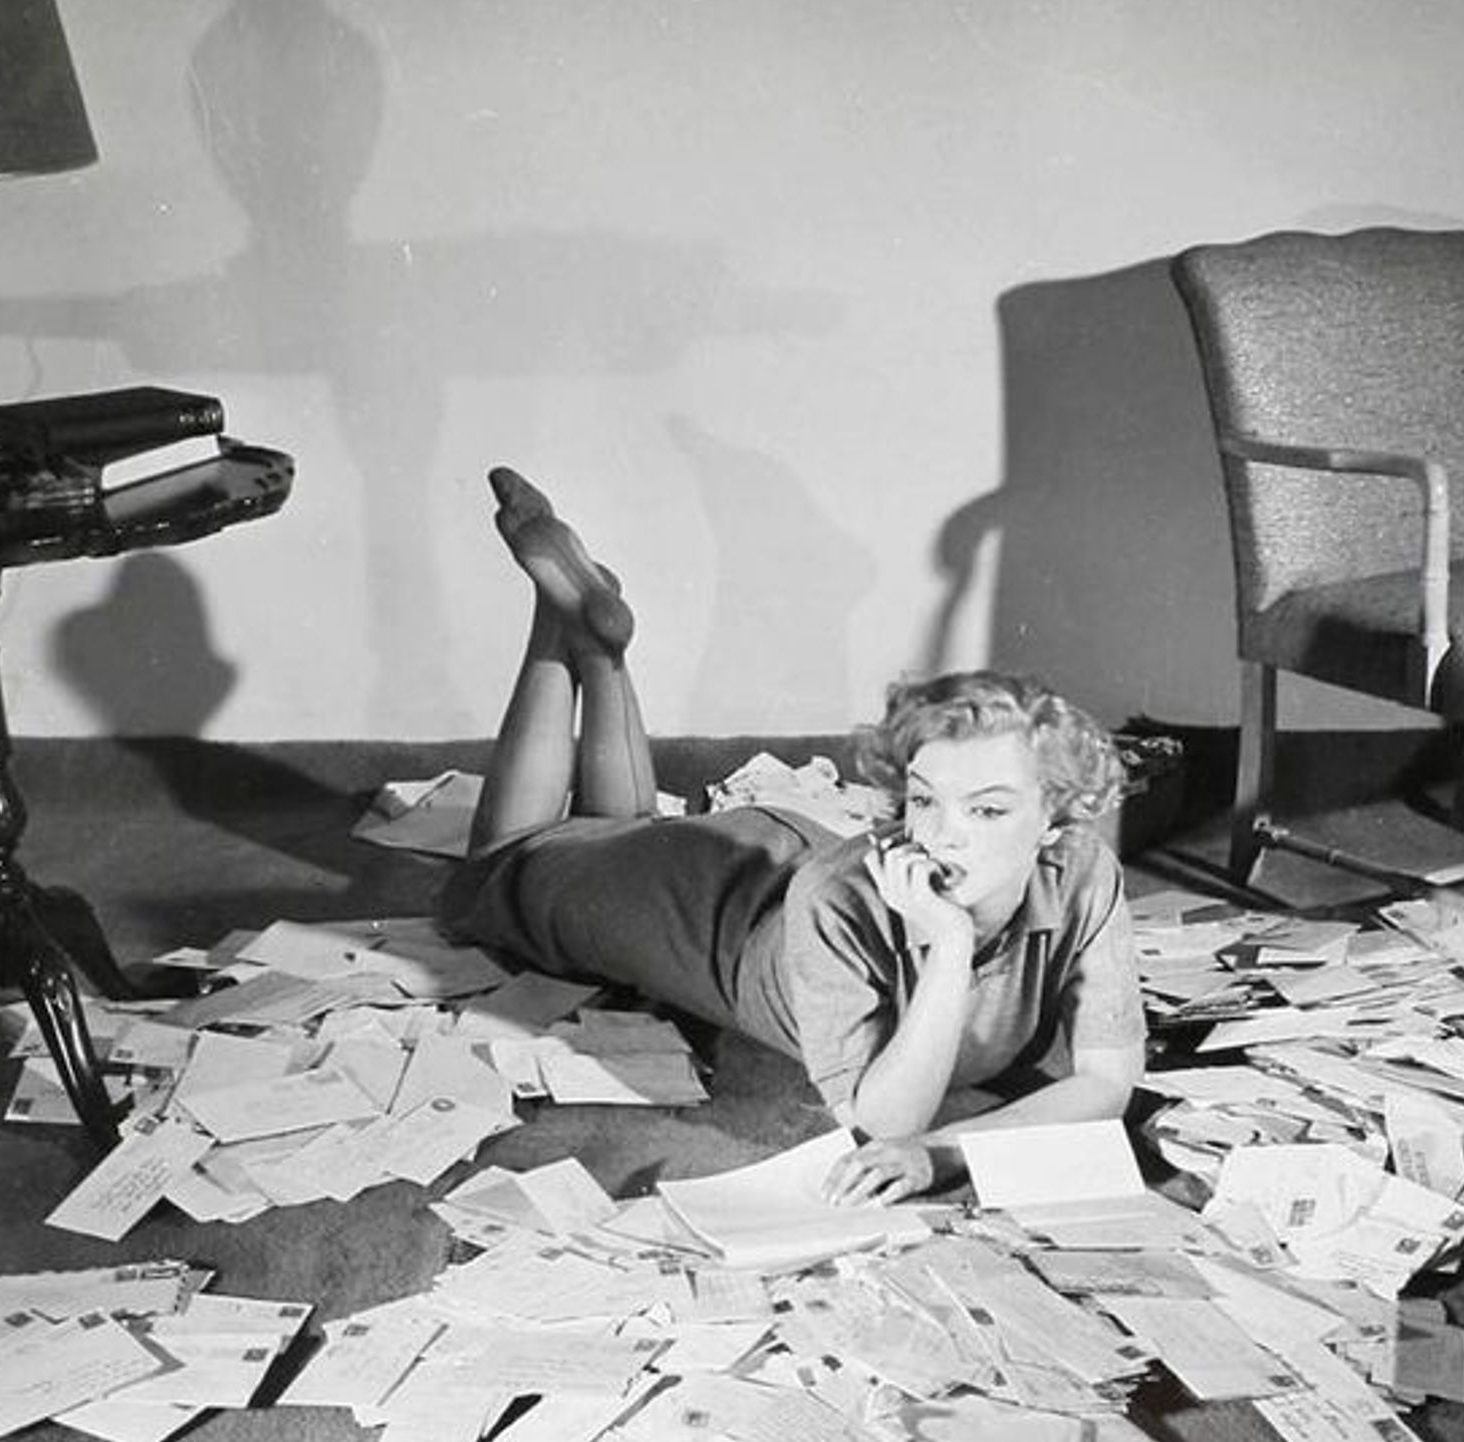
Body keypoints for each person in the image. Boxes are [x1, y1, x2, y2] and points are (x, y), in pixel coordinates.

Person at [440, 466, 1147, 1204]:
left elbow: (1104, 1087)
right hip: (708, 909)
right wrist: (951, 948)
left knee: (617, 829)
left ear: (1056, 820)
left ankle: (589, 633)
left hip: (769, 856)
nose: (943, 837)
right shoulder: (838, 901)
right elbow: (885, 1120)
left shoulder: (1084, 872)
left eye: (990, 810)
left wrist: (938, 1154)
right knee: (503, 864)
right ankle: (555, 624)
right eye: (924, 800)